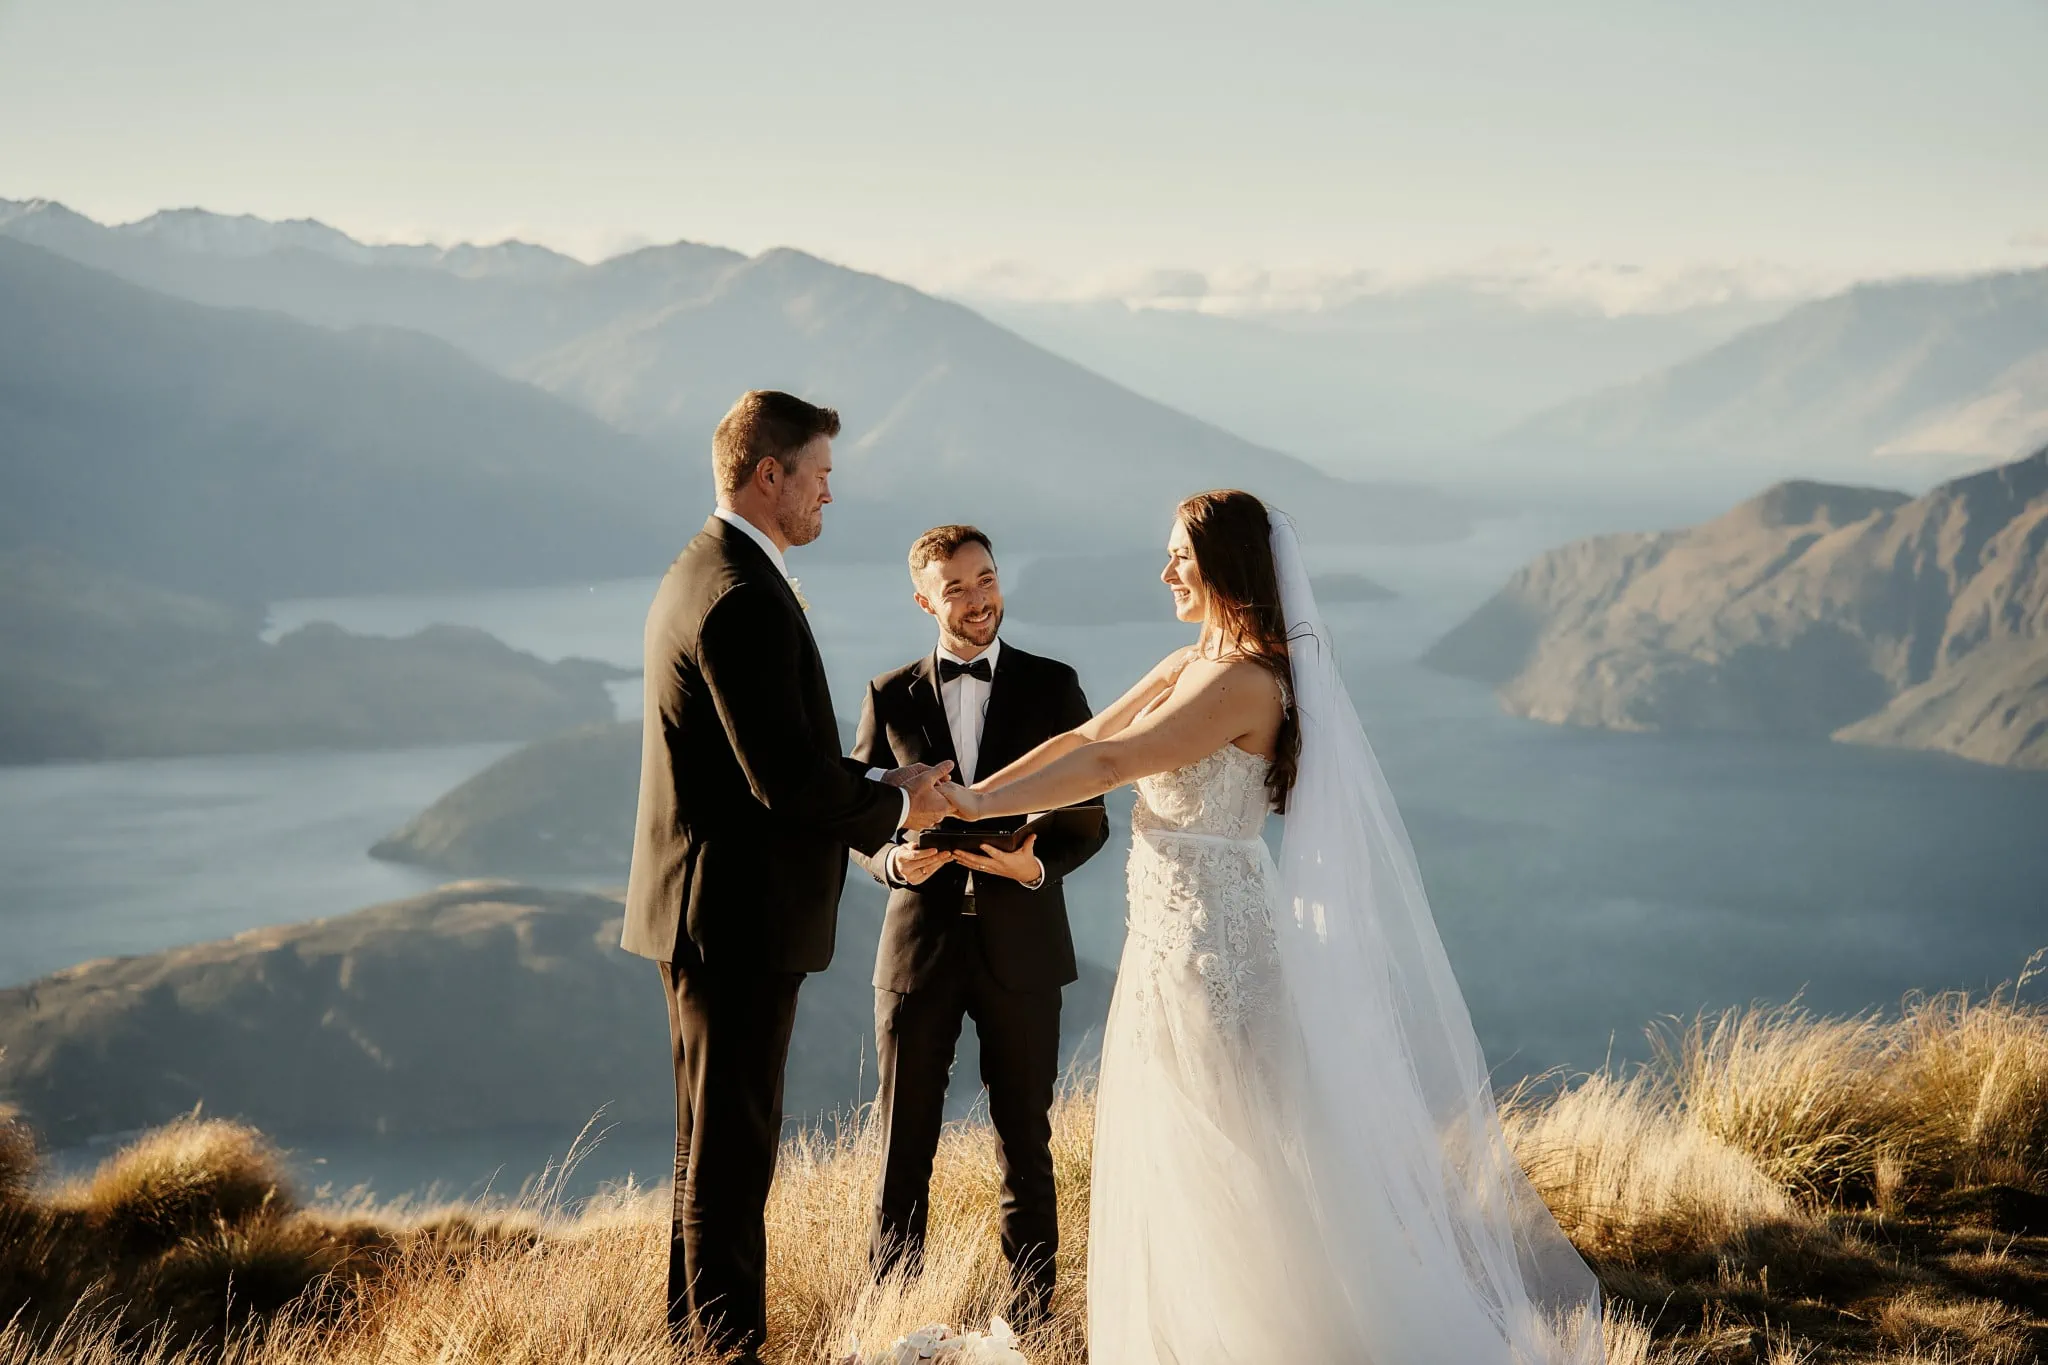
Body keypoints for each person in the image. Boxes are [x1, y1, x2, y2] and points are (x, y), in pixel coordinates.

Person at [940, 490, 1604, 1362]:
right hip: (1164, 940)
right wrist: (970, 796)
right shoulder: (1188, 663)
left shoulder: (1248, 683)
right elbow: (1085, 735)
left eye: (1181, 554)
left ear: (1225, 566)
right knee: (1173, 1152)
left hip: (1218, 949)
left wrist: (978, 803)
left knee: (1230, 1147)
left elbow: (1113, 763)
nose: (1166, 569)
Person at [619, 390, 953, 1364]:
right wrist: (901, 808)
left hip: (706, 911)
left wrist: (883, 776)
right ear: (770, 476)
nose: (827, 498)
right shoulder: (738, 596)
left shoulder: (710, 570)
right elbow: (780, 781)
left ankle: (697, 1345)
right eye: (820, 477)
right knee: (731, 1159)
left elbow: (768, 755)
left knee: (706, 1152)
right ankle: (729, 1351)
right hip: (735, 920)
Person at [848, 524, 1109, 1321]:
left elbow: (1090, 818)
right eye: (955, 587)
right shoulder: (888, 692)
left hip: (1023, 947)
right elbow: (859, 817)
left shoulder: (1054, 685)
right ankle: (891, 1322)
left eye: (986, 578)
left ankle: (1029, 1322)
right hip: (917, 950)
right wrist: (896, 863)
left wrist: (1030, 868)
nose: (977, 598)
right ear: (924, 598)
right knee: (902, 1149)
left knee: (1025, 1147)